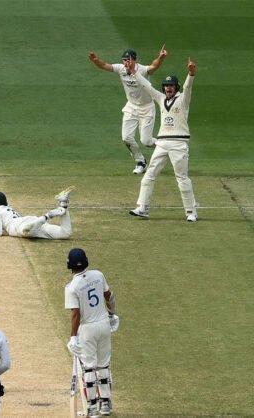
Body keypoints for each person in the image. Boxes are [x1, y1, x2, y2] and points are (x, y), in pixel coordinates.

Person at [129, 58, 199, 222]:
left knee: (182, 178)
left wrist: (191, 74)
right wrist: (133, 72)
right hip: (161, 143)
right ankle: (143, 208)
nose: (168, 88)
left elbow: (188, 87)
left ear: (176, 87)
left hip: (178, 144)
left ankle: (191, 212)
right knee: (149, 175)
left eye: (171, 86)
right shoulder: (161, 99)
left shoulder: (182, 100)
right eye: (166, 86)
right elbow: (147, 86)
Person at [88, 45, 167, 174]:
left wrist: (161, 57)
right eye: (124, 60)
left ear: (135, 60)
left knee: (146, 141)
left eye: (129, 60)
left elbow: (154, 66)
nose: (126, 63)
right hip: (131, 107)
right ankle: (141, 162)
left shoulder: (141, 70)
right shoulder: (121, 69)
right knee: (126, 138)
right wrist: (95, 59)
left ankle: (166, 146)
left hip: (146, 108)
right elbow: (104, 65)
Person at [65, 248, 119, 418]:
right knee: (103, 364)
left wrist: (73, 337)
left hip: (87, 329)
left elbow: (75, 314)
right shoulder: (98, 275)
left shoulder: (72, 287)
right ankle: (105, 403)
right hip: (103, 324)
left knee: (89, 368)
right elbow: (109, 296)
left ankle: (92, 407)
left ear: (69, 265)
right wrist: (112, 314)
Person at [0, 187, 75, 240]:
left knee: (25, 232)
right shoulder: (8, 209)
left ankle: (48, 215)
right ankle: (63, 203)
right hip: (33, 224)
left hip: (23, 226)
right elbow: (5, 229)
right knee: (65, 233)